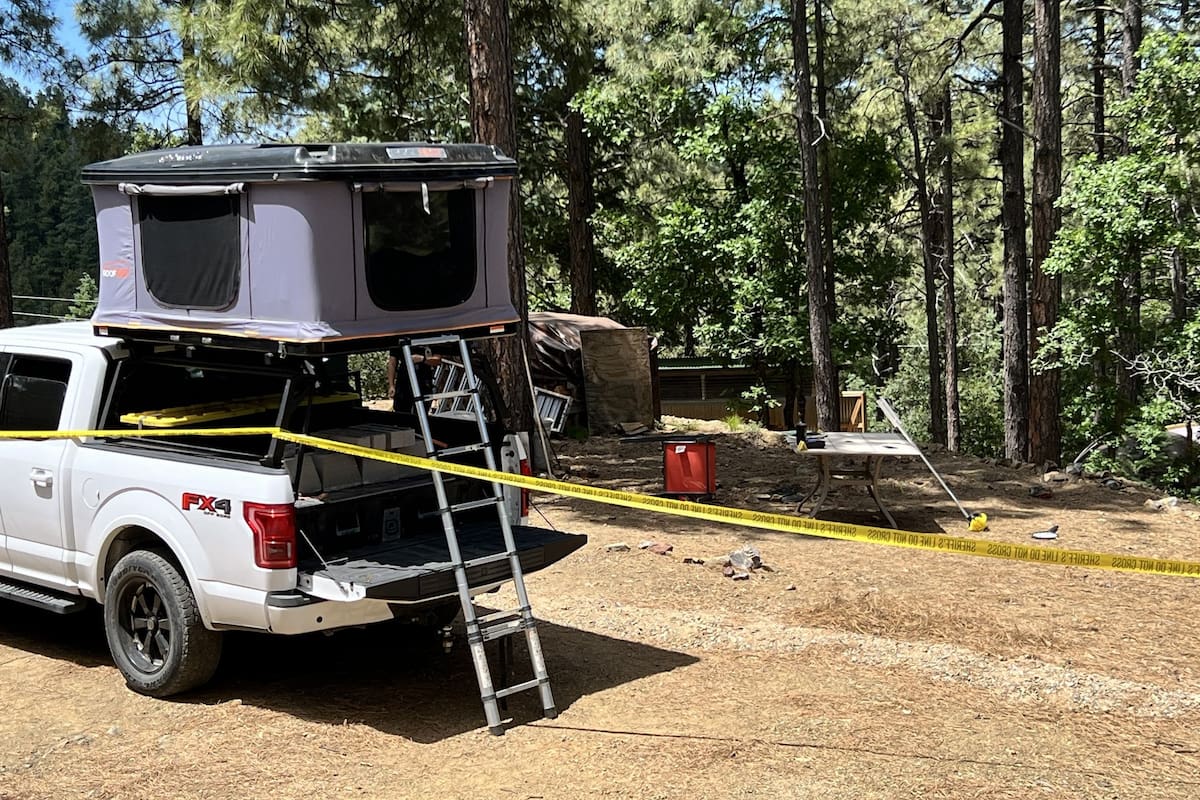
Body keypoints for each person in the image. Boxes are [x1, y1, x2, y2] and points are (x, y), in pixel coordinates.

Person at [387, 348, 442, 412]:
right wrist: (391, 385)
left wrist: (422, 359)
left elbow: (437, 360)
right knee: (401, 410)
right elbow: (392, 362)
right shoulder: (399, 339)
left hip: (423, 380)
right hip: (404, 380)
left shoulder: (430, 339)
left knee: (422, 411)